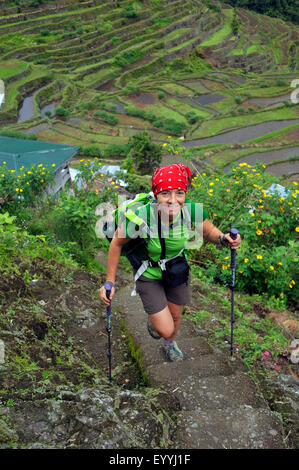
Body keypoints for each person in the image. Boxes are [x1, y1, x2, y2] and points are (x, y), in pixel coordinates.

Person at [99, 163, 241, 362]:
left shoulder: (191, 211)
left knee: (174, 319)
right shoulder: (142, 218)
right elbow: (116, 243)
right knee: (164, 328)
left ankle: (169, 344)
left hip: (176, 269)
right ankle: (158, 324)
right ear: (156, 195)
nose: (173, 201)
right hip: (148, 273)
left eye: (179, 193)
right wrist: (110, 281)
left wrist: (224, 239)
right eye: (166, 193)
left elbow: (208, 231)